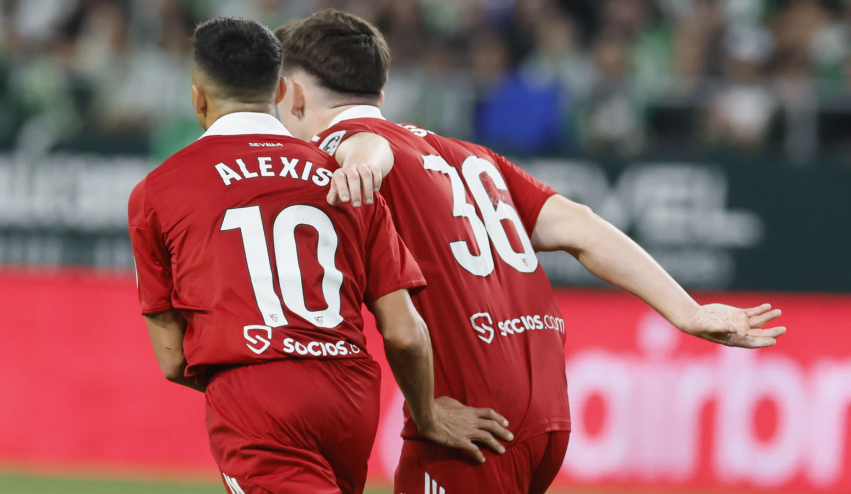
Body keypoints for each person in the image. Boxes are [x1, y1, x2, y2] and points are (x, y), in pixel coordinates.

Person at [274, 10, 786, 494]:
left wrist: (356, 155)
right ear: (380, 91)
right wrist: (687, 311)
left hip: (472, 418)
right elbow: (582, 227)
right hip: (546, 415)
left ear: (291, 94)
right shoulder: (469, 155)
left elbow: (363, 146)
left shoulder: (343, 147)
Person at [127, 17, 511, 494]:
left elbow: (170, 359)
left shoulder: (158, 190)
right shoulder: (342, 176)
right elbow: (405, 332)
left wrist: (256, 376)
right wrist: (427, 413)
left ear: (197, 98)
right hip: (348, 394)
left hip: (255, 390)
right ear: (281, 89)